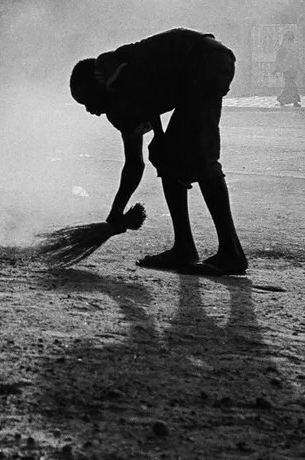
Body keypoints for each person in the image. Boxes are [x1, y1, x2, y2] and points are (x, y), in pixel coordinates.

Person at [68, 27, 247, 275]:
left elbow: (146, 91)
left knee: (199, 156)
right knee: (166, 156)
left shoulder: (108, 69)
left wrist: (162, 140)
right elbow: (134, 165)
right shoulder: (118, 108)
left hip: (205, 61)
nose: (90, 110)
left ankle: (231, 253)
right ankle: (184, 247)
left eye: (87, 101)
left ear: (95, 86)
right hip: (197, 70)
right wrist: (116, 212)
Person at [272, 29, 304, 108]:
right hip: (293, 69)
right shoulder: (295, 46)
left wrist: (277, 68)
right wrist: (300, 68)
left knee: (289, 85)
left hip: (287, 69)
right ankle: (293, 101)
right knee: (291, 84)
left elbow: (279, 58)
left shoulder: (284, 46)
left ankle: (283, 100)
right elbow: (296, 59)